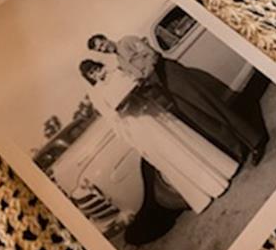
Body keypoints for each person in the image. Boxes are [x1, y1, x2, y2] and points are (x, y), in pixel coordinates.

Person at [79, 58, 239, 215]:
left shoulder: (117, 73)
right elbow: (113, 116)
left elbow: (136, 82)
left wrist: (136, 89)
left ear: (100, 65)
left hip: (151, 111)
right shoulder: (98, 93)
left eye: (96, 68)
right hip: (137, 124)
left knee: (180, 140)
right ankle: (203, 193)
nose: (96, 73)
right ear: (90, 78)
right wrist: (122, 107)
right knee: (169, 154)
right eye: (92, 73)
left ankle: (219, 176)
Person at [89, 31, 269, 165]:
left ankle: (255, 141)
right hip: (159, 86)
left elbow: (151, 55)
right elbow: (134, 76)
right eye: (100, 49)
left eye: (101, 44)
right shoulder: (119, 63)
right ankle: (238, 149)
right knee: (198, 117)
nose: (103, 48)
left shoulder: (127, 41)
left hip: (168, 73)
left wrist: (145, 75)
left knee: (208, 105)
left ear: (105, 38)